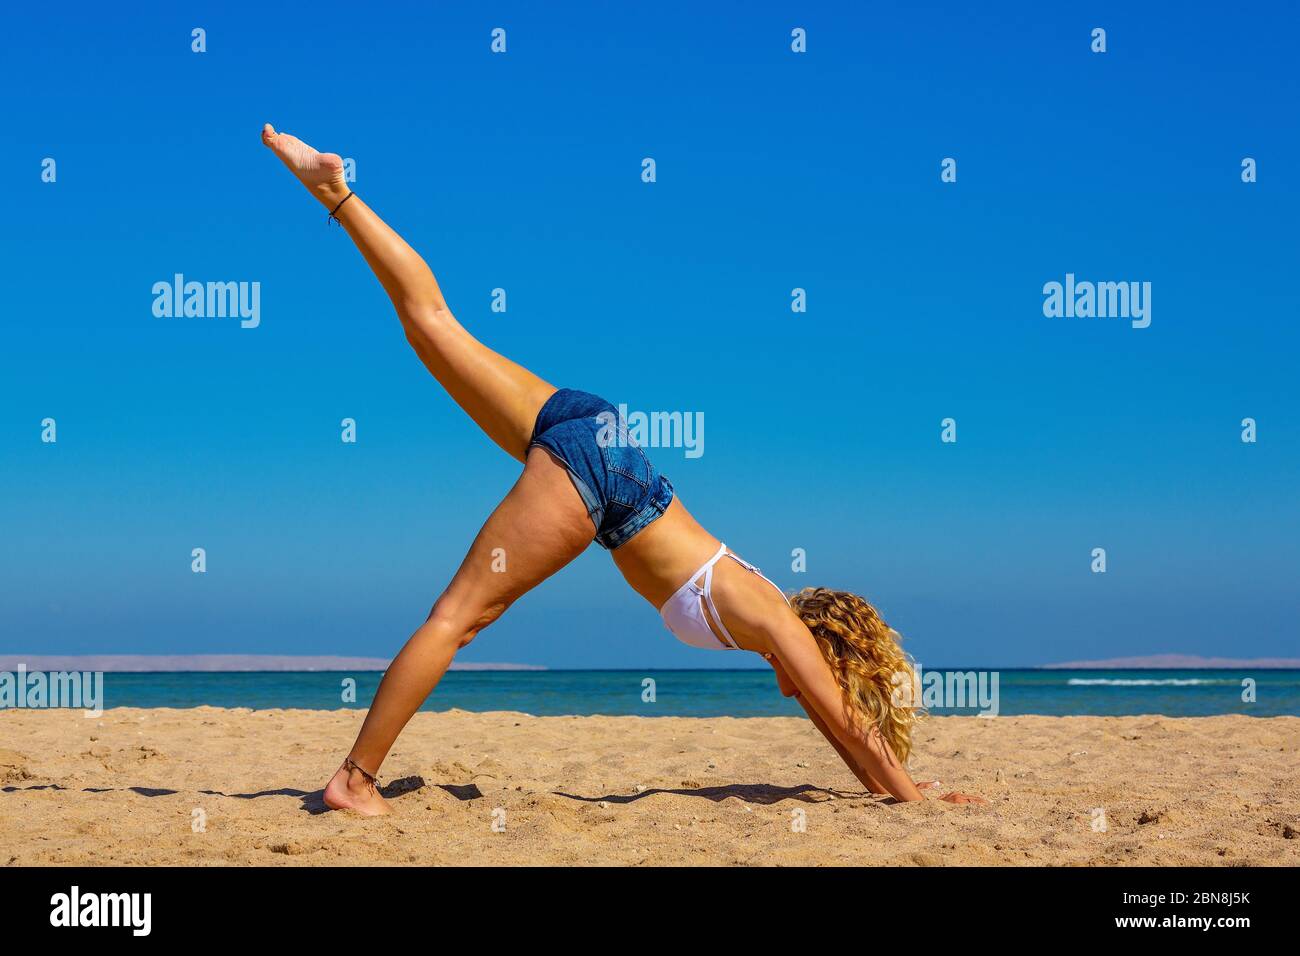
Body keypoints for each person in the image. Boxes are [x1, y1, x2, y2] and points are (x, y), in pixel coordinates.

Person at [261, 124, 984, 815]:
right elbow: (855, 737)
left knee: (435, 325)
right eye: (820, 680)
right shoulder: (773, 617)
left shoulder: (764, 612)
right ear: (821, 652)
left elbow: (842, 739)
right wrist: (916, 800)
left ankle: (335, 194)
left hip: (593, 432)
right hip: (605, 480)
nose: (803, 695)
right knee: (457, 619)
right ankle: (354, 781)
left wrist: (896, 792)